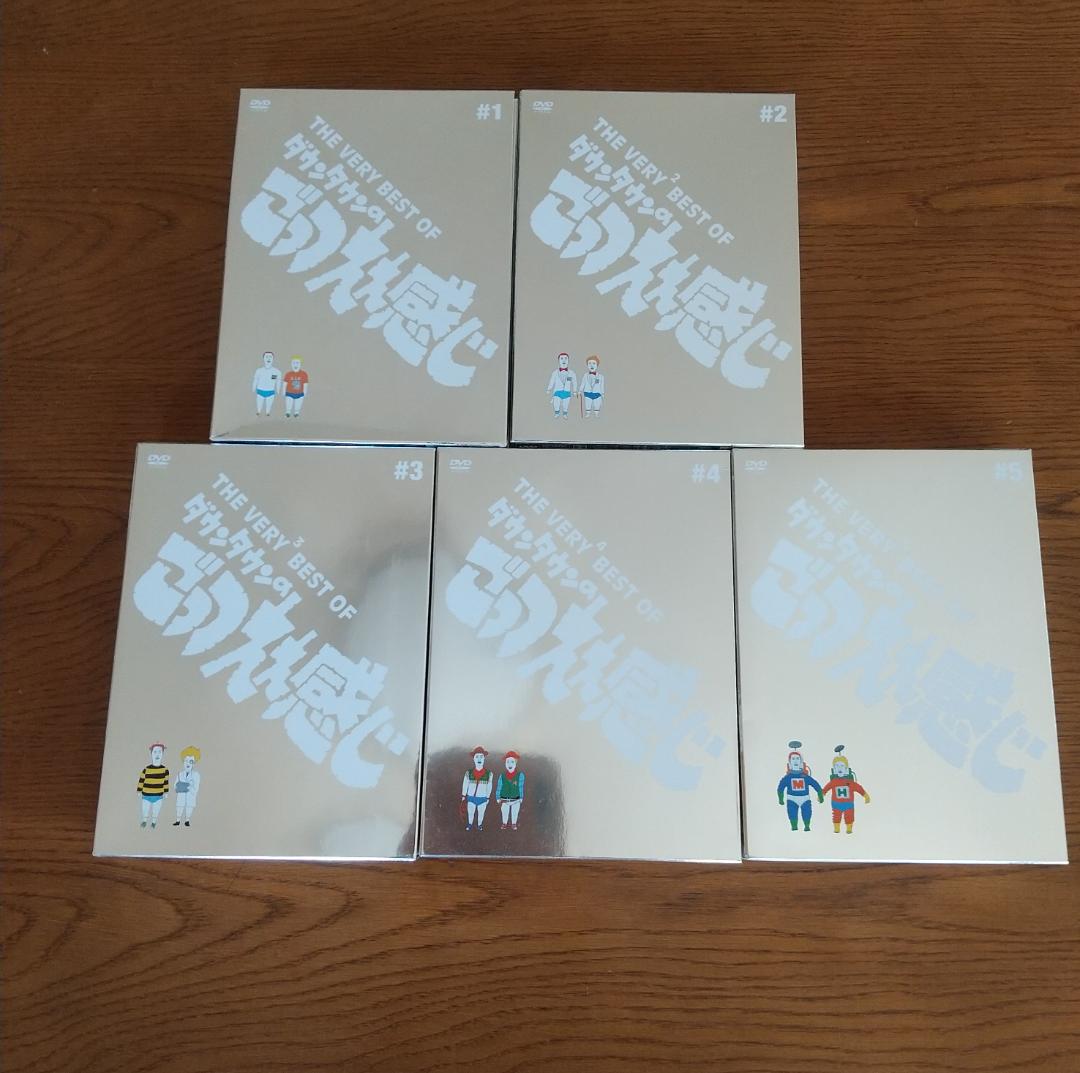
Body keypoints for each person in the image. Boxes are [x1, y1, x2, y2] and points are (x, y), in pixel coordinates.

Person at [819, 746, 871, 834]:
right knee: (836, 816)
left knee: (849, 816)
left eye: (842, 766)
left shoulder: (850, 782)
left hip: (848, 804)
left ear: (846, 768)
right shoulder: (834, 782)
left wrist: (865, 795)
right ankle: (836, 828)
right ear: (834, 769)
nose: (839, 768)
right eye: (837, 766)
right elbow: (826, 788)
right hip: (836, 804)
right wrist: (821, 794)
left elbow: (858, 788)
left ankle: (849, 828)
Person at [776, 740, 823, 832]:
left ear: (801, 762)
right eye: (793, 759)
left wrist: (820, 795)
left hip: (805, 798)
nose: (795, 761)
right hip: (791, 798)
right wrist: (780, 799)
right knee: (792, 813)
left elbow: (816, 785)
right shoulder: (788, 777)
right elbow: (780, 788)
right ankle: (794, 826)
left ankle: (807, 825)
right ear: (789, 762)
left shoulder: (805, 777)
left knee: (807, 812)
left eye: (797, 758)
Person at [460, 747, 493, 831]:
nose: (479, 759)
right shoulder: (468, 773)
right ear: (473, 759)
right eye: (477, 757)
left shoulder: (489, 774)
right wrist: (463, 796)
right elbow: (465, 784)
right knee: (470, 812)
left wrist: (488, 797)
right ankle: (470, 824)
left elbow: (489, 786)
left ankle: (479, 825)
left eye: (481, 757)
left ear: (484, 758)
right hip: (471, 797)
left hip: (482, 798)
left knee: (481, 813)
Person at [137, 743, 169, 829]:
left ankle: (154, 822)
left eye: (160, 752)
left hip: (158, 796)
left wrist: (166, 792)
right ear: (151, 754)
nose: (157, 754)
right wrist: (139, 790)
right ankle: (144, 821)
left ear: (162, 754)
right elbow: (141, 780)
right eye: (155, 752)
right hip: (146, 795)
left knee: (156, 810)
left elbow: (166, 782)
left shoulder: (165, 770)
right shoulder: (146, 769)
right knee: (145, 809)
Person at [171, 746, 202, 828]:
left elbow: (196, 789)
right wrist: (180, 787)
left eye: (191, 761)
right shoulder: (180, 774)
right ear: (183, 761)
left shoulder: (196, 775)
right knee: (179, 807)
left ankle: (187, 820)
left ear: (194, 763)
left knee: (189, 807)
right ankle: (178, 820)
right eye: (186, 761)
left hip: (190, 797)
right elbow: (175, 786)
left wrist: (187, 787)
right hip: (181, 796)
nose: (188, 763)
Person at [496, 751, 526, 830]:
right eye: (508, 762)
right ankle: (504, 823)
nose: (510, 764)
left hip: (516, 799)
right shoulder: (502, 776)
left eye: (512, 762)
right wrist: (498, 797)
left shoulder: (520, 775)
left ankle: (514, 824)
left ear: (516, 763)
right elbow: (499, 786)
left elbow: (521, 787)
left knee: (515, 812)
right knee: (504, 812)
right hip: (504, 799)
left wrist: (521, 797)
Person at [546, 352, 577, 419]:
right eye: (561, 358)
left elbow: (574, 382)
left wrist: (575, 391)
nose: (564, 360)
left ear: (568, 360)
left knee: (565, 404)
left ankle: (565, 414)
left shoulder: (572, 373)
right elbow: (552, 381)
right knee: (556, 403)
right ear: (558, 361)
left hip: (567, 392)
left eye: (566, 358)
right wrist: (549, 389)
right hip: (557, 392)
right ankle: (557, 413)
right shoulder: (555, 373)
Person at [252, 351, 281, 416]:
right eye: (266, 357)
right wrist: (253, 388)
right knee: (259, 404)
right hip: (260, 391)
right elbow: (255, 380)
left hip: (270, 392)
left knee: (269, 404)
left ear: (273, 358)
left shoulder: (276, 372)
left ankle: (268, 412)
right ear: (263, 358)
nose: (268, 358)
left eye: (270, 357)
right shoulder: (259, 370)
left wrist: (278, 390)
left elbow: (278, 381)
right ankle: (258, 411)